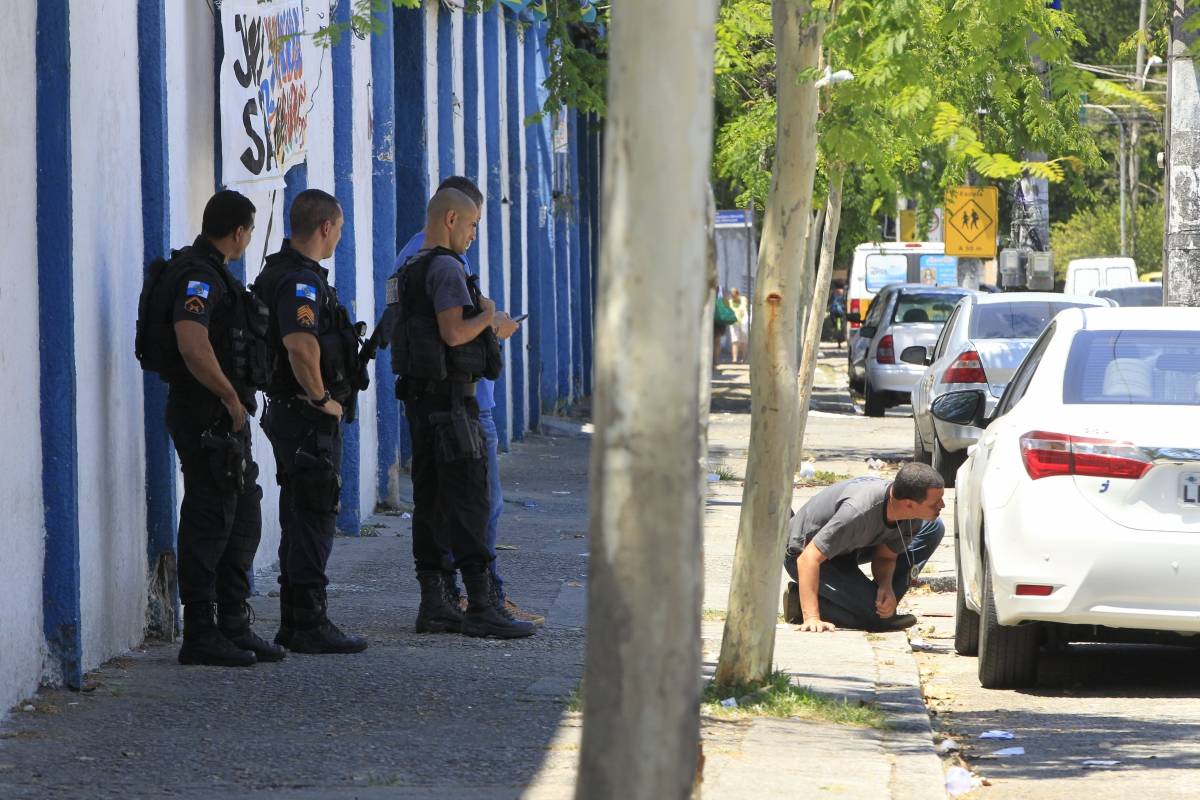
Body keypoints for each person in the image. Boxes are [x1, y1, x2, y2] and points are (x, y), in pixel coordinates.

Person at [388, 187, 535, 639]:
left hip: (423, 403)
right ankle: (482, 604)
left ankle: (437, 603)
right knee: (472, 503)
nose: (473, 235)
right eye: (471, 225)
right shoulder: (447, 267)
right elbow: (453, 334)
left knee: (432, 503)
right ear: (451, 219)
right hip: (453, 406)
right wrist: (489, 315)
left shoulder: (410, 266)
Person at [160, 190, 282, 667]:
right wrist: (230, 397)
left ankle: (233, 622)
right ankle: (201, 632)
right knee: (210, 519)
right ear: (239, 232)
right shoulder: (198, 276)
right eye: (249, 231)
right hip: (206, 414)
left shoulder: (214, 273)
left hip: (222, 419)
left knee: (241, 516)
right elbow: (191, 342)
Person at [256, 189, 368, 654]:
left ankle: (298, 620)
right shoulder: (301, 282)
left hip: (290, 413)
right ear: (325, 227)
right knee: (314, 513)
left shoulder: (279, 272)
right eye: (338, 228)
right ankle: (308, 623)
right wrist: (323, 400)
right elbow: (301, 346)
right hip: (305, 416)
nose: (339, 236)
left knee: (301, 512)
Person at [782, 463, 946, 632]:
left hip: (848, 548)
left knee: (933, 527)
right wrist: (811, 617)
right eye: (935, 503)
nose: (942, 505)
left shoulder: (909, 514)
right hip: (803, 554)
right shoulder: (856, 513)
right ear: (909, 504)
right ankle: (799, 601)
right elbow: (808, 559)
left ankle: (881, 607)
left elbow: (885, 556)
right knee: (876, 619)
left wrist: (886, 586)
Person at [727, 287, 749, 363]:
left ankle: (744, 358)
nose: (733, 298)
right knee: (735, 341)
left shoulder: (744, 299)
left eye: (734, 296)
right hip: (734, 323)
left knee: (744, 341)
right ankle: (734, 359)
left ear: (738, 294)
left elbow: (746, 307)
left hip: (744, 321)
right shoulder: (730, 302)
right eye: (732, 296)